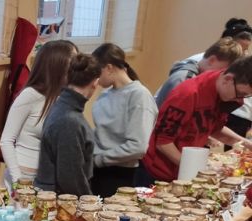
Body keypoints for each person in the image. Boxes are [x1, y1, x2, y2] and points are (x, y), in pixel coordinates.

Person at [138, 56, 252, 185]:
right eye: (241, 94)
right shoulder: (188, 94)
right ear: (228, 79)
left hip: (186, 168)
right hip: (158, 172)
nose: (240, 100)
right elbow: (163, 142)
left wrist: (246, 143)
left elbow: (215, 128)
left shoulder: (226, 93)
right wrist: (196, 168)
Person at [0, 40, 78, 189]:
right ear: (56, 66)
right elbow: (6, 141)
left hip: (48, 179)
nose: (76, 70)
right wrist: (18, 181)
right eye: (72, 64)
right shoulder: (30, 95)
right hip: (24, 177)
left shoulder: (64, 97)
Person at [89, 43, 158, 197]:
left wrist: (99, 159)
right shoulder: (105, 95)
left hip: (119, 174)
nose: (96, 79)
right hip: (97, 169)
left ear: (109, 68)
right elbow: (102, 133)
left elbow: (137, 147)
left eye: (97, 72)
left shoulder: (139, 96)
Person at [34, 54, 102, 196]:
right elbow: (70, 178)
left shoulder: (63, 107)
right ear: (95, 83)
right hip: (60, 201)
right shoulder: (69, 120)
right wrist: (89, 202)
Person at [156, 37, 243, 108]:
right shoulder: (184, 80)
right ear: (212, 60)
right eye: (221, 71)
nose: (221, 76)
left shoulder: (199, 81)